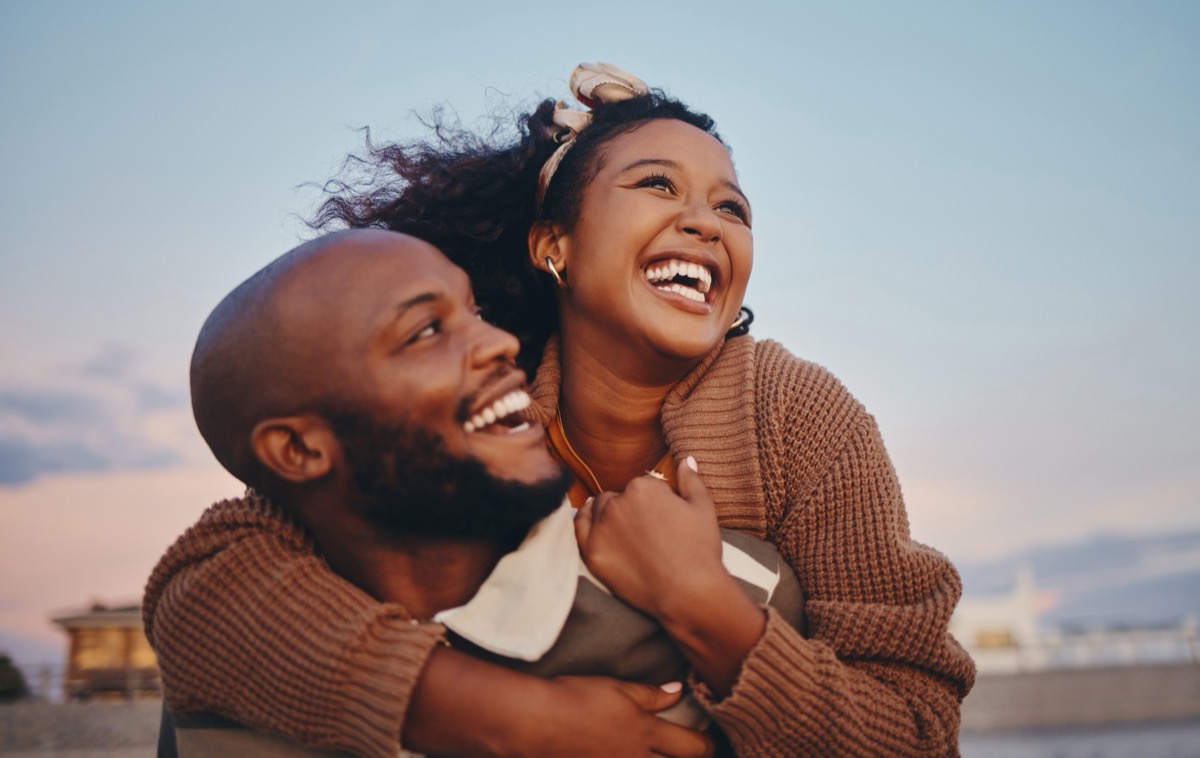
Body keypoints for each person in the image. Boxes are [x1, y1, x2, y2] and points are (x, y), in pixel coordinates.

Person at [145, 64, 975, 755]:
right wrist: (510, 718)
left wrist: (706, 606)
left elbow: (918, 729)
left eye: (733, 208)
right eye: (657, 185)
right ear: (555, 246)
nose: (704, 222)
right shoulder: (479, 398)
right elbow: (207, 587)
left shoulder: (798, 416)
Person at [147, 227, 803, 757]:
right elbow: (192, 591)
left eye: (476, 312)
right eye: (425, 332)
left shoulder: (733, 595)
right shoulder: (224, 687)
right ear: (298, 451)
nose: (499, 342)